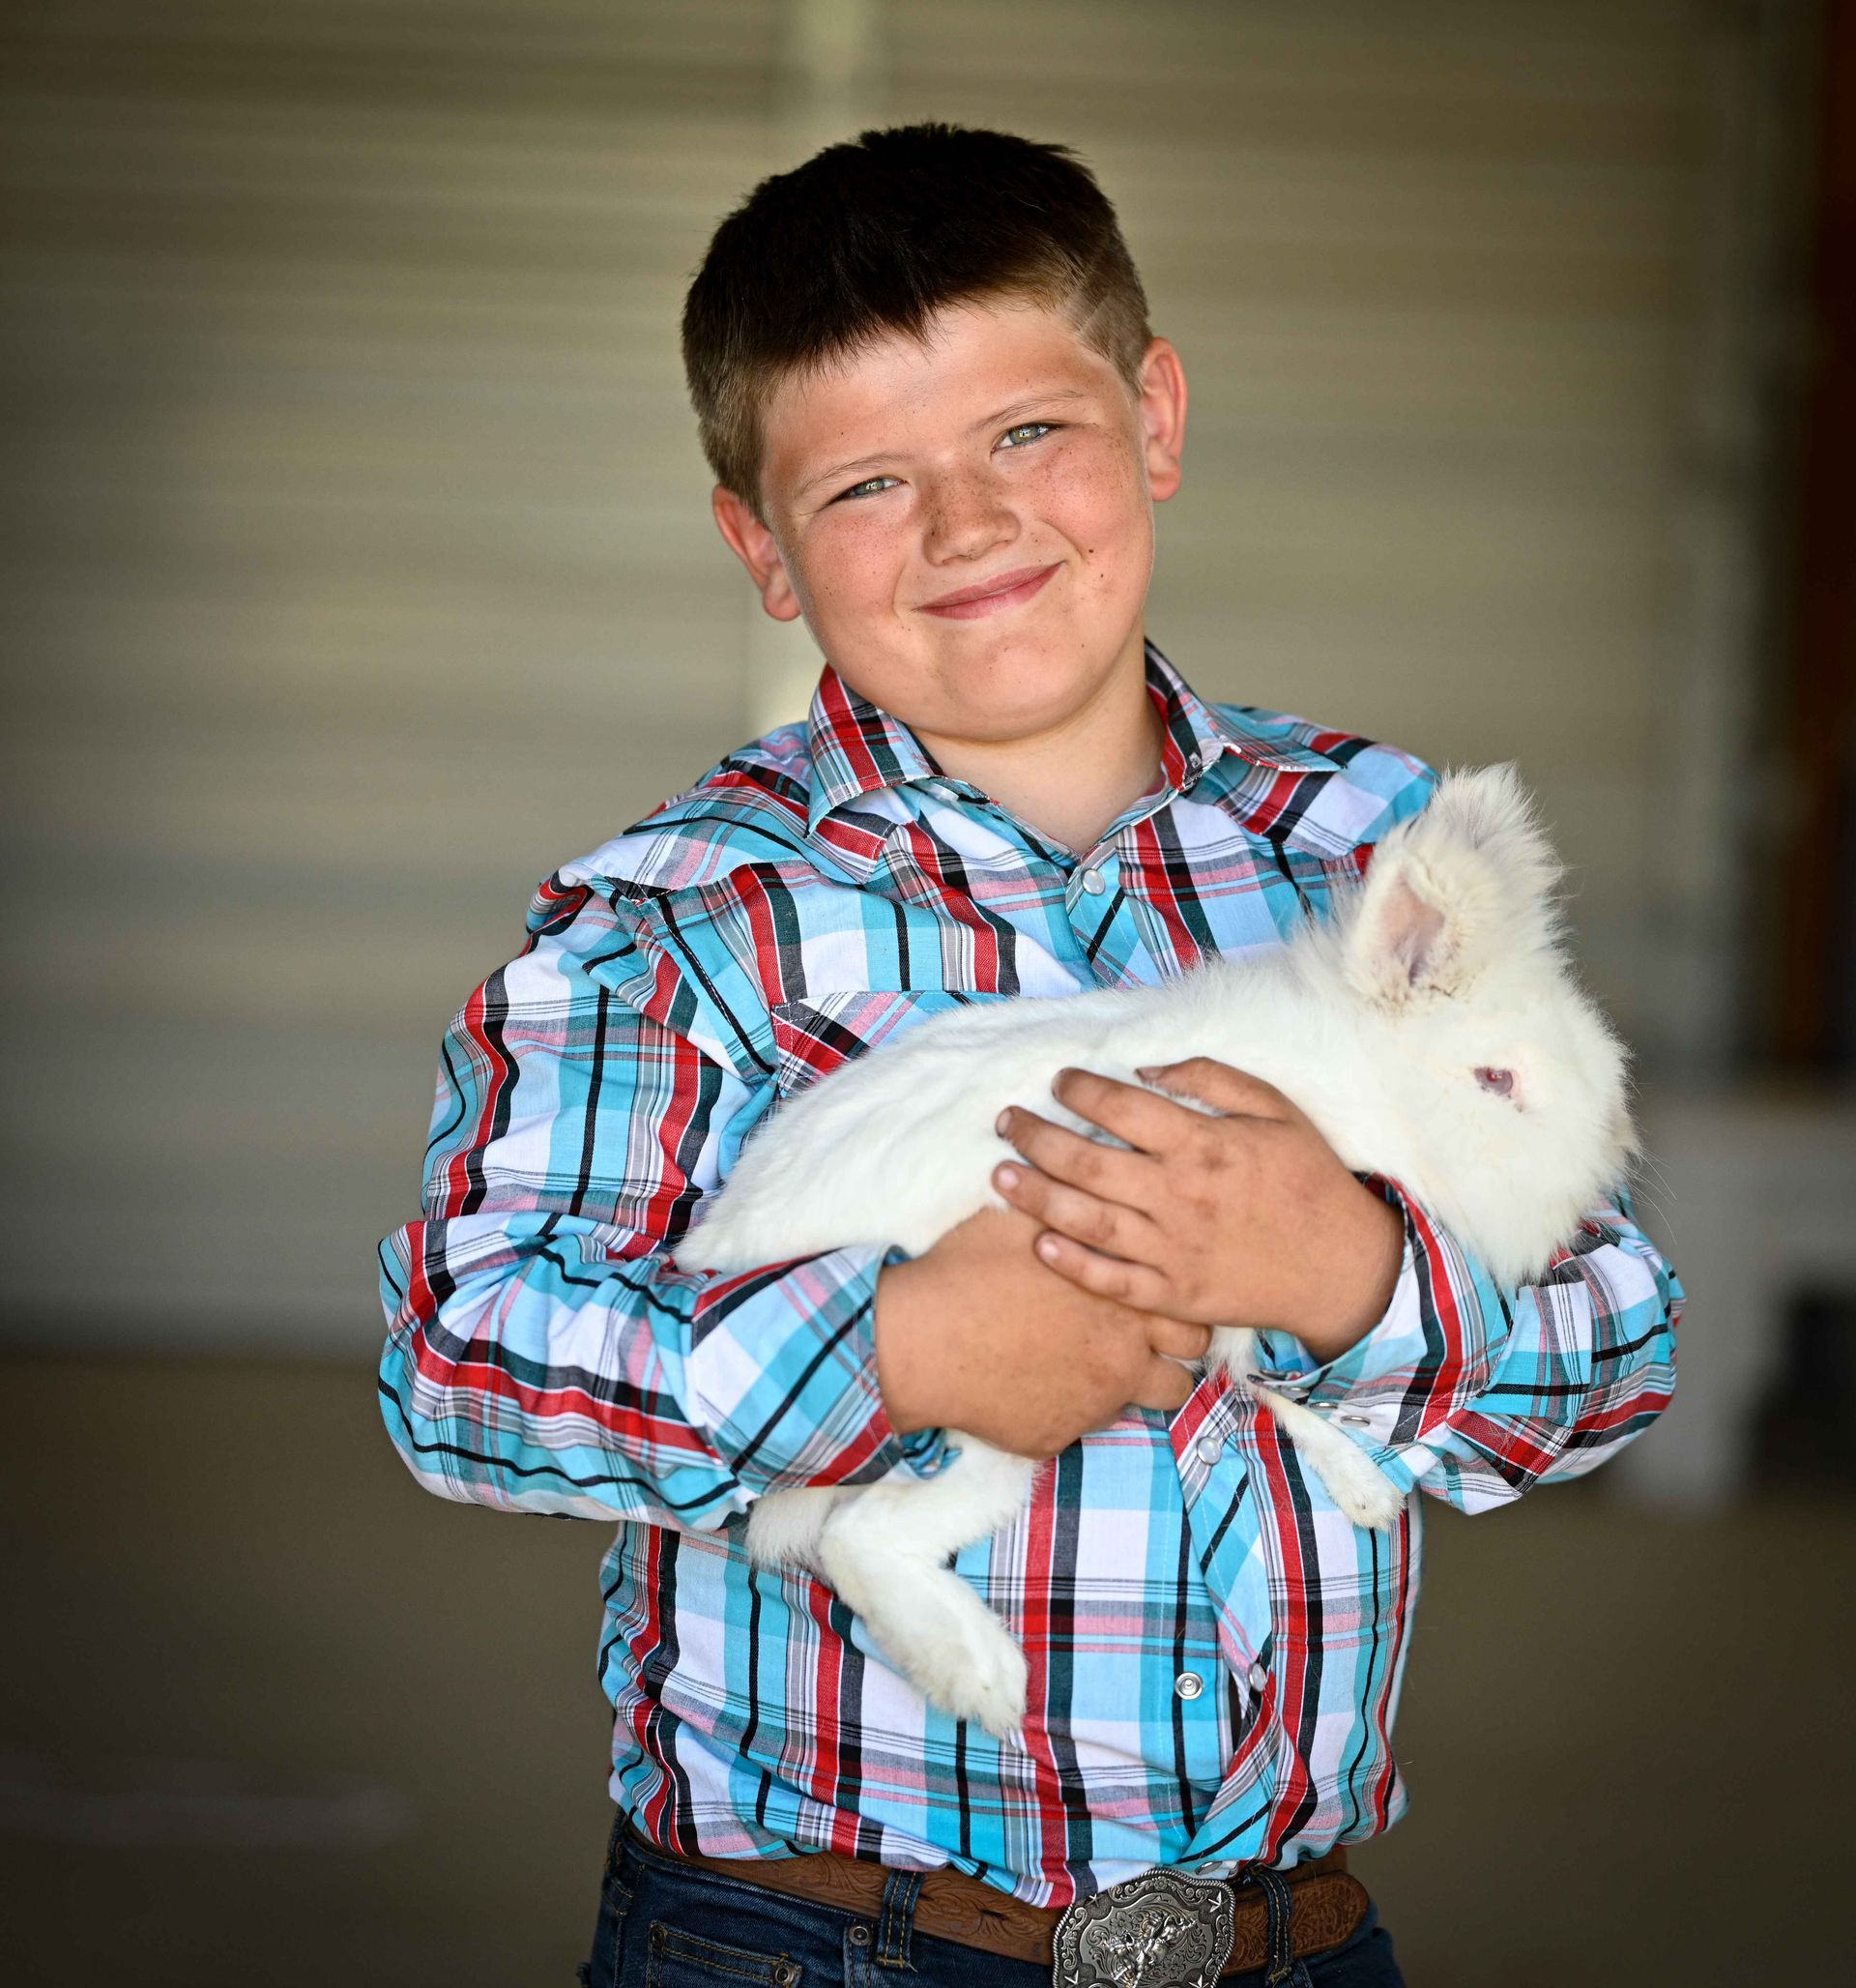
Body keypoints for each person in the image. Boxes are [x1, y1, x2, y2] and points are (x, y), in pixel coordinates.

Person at [376, 123, 1680, 1986]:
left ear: (1156, 419)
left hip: (1283, 1938)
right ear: (761, 548)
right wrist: (898, 1348)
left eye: (1027, 433)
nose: (969, 526)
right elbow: (461, 1368)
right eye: (867, 485)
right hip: (819, 1938)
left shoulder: (1374, 849)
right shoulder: (674, 917)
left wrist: (1350, 1273)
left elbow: (1615, 1340)